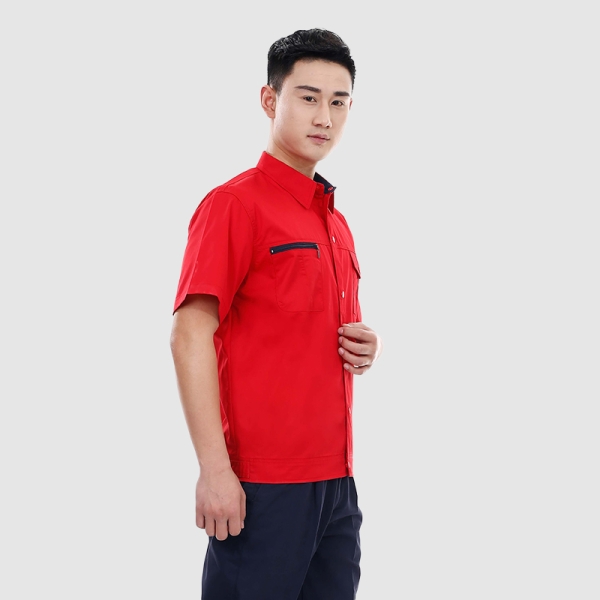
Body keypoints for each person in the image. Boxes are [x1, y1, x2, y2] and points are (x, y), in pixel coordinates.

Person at [170, 28, 383, 600]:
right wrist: (215, 470)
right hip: (262, 485)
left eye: (339, 102)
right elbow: (189, 335)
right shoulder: (234, 205)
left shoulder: (334, 221)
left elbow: (298, 328)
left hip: (337, 484)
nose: (325, 117)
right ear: (271, 100)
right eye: (308, 97)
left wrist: (365, 345)